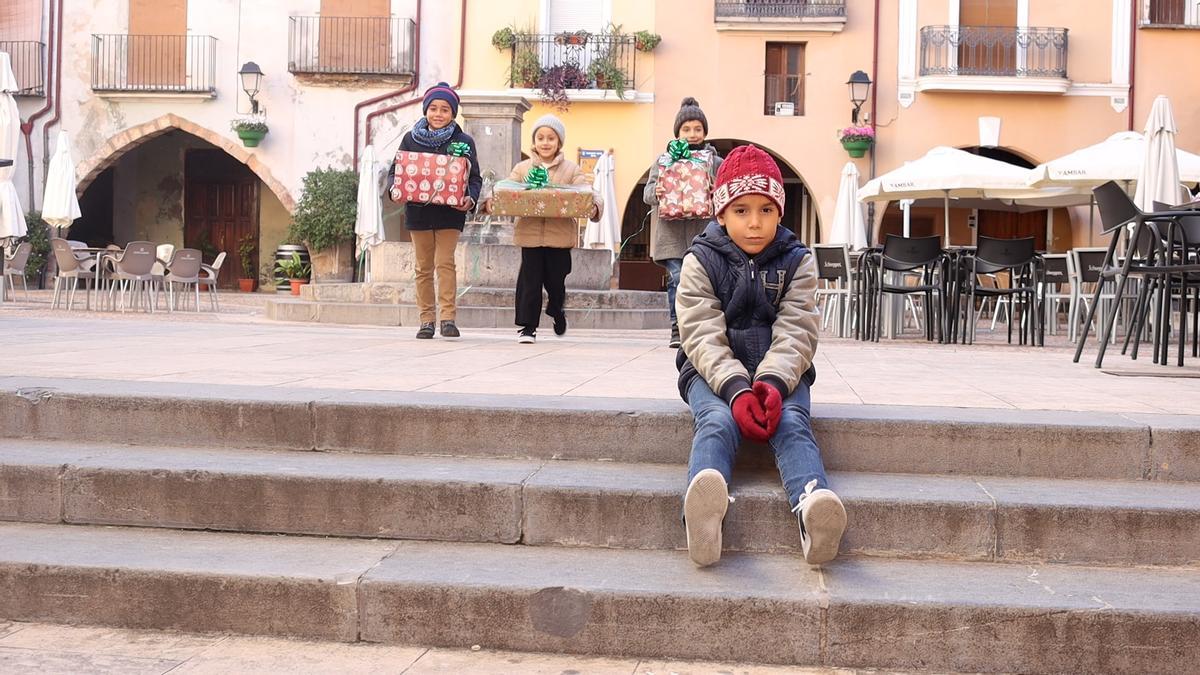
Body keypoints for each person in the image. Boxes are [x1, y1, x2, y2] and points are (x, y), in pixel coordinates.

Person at [675, 144, 845, 567]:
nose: (755, 222)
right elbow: (699, 332)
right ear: (721, 214)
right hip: (711, 375)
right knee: (715, 421)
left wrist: (771, 382)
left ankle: (812, 507)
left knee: (791, 421)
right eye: (742, 210)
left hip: (783, 376)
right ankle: (703, 511)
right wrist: (734, 388)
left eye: (766, 210)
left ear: (780, 213)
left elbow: (798, 329)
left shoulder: (797, 261)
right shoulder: (700, 261)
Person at [482, 114, 601, 343]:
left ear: (559, 142)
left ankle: (556, 310)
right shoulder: (522, 168)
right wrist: (490, 202)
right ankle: (528, 328)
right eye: (540, 138)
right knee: (530, 282)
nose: (545, 143)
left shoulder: (571, 169)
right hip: (530, 237)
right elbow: (507, 189)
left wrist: (595, 207)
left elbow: (587, 193)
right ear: (534, 141)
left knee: (557, 283)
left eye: (551, 138)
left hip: (560, 238)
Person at [389, 82, 482, 340]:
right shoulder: (410, 139)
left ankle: (448, 319)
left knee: (445, 263)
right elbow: (396, 171)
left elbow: (475, 178)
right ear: (425, 111)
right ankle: (426, 320)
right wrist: (393, 191)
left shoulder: (463, 141)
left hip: (450, 214)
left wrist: (470, 199)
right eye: (433, 108)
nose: (438, 114)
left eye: (444, 109)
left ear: (453, 113)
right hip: (418, 213)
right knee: (422, 267)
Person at [643, 97, 724, 348]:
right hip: (671, 236)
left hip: (704, 235)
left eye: (697, 129)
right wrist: (656, 191)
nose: (692, 134)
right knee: (677, 280)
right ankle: (677, 329)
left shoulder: (715, 163)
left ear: (705, 132)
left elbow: (725, 195)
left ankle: (699, 329)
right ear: (677, 132)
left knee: (703, 283)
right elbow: (647, 194)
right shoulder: (663, 161)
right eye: (686, 129)